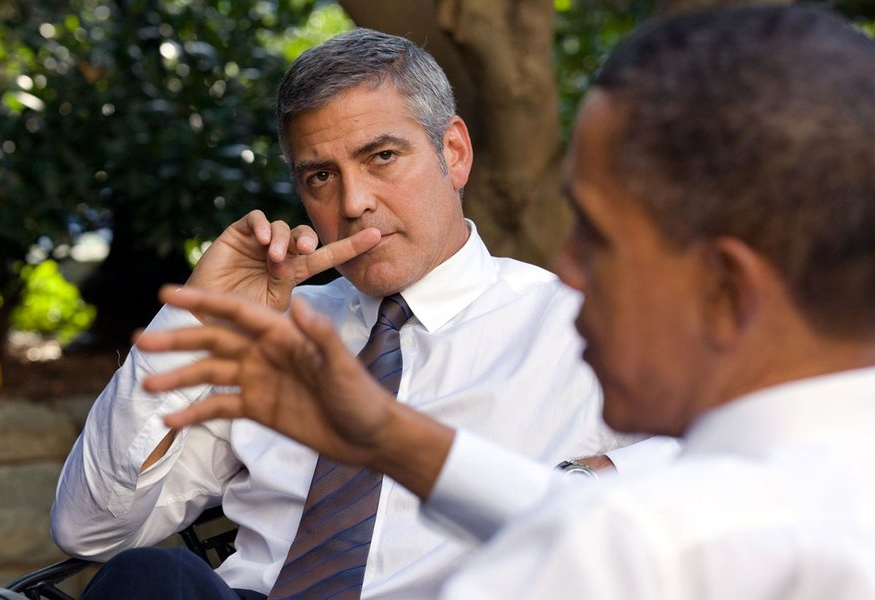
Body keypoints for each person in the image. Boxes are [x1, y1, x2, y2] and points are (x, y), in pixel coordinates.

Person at [135, 5, 875, 598]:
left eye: (595, 237)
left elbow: (609, 536)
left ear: (726, 288)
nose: (566, 272)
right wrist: (392, 439)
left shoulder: (639, 547)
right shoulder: (800, 494)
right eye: (319, 176)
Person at [51, 27, 673, 599]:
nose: (353, 203)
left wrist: (588, 482)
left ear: (453, 153)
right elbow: (90, 532)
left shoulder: (578, 326)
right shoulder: (278, 329)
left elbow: (749, 472)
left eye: (381, 157)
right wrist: (193, 323)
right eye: (321, 176)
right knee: (149, 578)